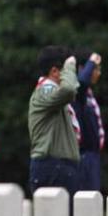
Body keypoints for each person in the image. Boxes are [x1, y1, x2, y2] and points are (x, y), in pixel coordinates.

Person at [27, 46, 80, 196]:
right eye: (67, 71)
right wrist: (70, 66)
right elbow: (69, 89)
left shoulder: (52, 93)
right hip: (53, 165)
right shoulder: (46, 91)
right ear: (55, 71)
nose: (72, 74)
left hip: (59, 165)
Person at [71, 49, 104, 191]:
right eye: (95, 69)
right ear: (82, 69)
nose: (98, 73)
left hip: (93, 155)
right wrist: (92, 61)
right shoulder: (79, 93)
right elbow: (81, 83)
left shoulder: (89, 95)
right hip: (84, 156)